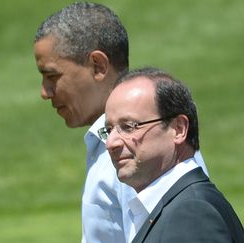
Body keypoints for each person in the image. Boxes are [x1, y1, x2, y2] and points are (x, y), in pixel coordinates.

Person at [34, 2, 209, 243]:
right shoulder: (112, 142)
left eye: (52, 76)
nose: (45, 91)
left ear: (98, 65)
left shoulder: (142, 153)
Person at [101, 67, 244, 242]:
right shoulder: (174, 207)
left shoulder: (192, 214)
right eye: (109, 130)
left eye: (129, 126)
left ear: (178, 129)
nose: (110, 143)